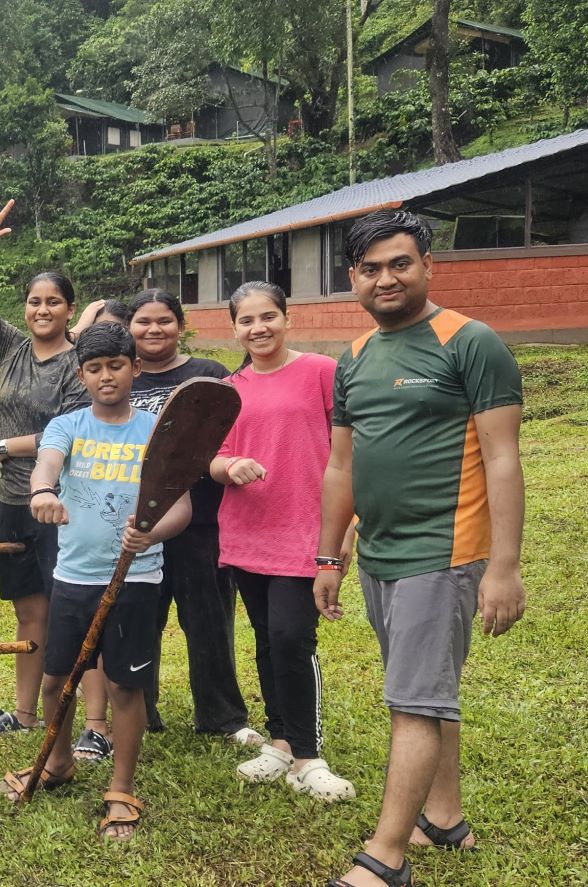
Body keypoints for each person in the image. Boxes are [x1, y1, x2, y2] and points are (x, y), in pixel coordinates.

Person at [318, 211, 525, 887]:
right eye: (371, 268)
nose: (386, 278)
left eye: (400, 263)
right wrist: (330, 553)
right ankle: (444, 817)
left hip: (445, 550)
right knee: (428, 693)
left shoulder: (471, 342)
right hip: (378, 553)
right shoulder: (353, 358)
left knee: (413, 701)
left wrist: (504, 565)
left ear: (428, 265)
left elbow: (503, 458)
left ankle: (387, 855)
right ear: (353, 277)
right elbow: (342, 465)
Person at [0, 323, 191, 843]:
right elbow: (47, 464)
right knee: (55, 678)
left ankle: (122, 787)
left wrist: (151, 533)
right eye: (95, 368)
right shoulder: (69, 425)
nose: (106, 377)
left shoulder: (156, 429)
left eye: (116, 366)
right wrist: (42, 491)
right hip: (74, 577)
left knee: (126, 687)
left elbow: (181, 507)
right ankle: (58, 763)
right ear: (81, 375)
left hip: (136, 580)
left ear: (134, 367)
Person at [0, 196, 110, 759]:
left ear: (71, 310)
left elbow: (66, 433)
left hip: (63, 505)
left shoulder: (80, 364)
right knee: (29, 611)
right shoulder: (12, 348)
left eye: (54, 302)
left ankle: (94, 723)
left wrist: (2, 446)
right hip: (13, 499)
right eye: (35, 302)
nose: (42, 310)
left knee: (76, 608)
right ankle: (23, 713)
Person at [206, 282, 355, 803]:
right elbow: (214, 456)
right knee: (267, 642)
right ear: (234, 328)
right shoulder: (229, 387)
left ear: (286, 319)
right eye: (247, 321)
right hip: (247, 533)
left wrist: (346, 529)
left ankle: (310, 756)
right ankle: (281, 743)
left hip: (305, 532)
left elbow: (350, 450)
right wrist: (231, 465)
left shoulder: (320, 372)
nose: (258, 328)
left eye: (268, 316)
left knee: (294, 638)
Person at [124, 290, 254, 743]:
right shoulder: (123, 378)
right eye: (143, 322)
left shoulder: (210, 375)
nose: (153, 329)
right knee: (140, 617)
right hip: (138, 522)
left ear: (180, 325)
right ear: (129, 328)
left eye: (164, 320)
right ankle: (139, 712)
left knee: (209, 620)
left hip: (202, 523)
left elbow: (232, 436)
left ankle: (222, 717)